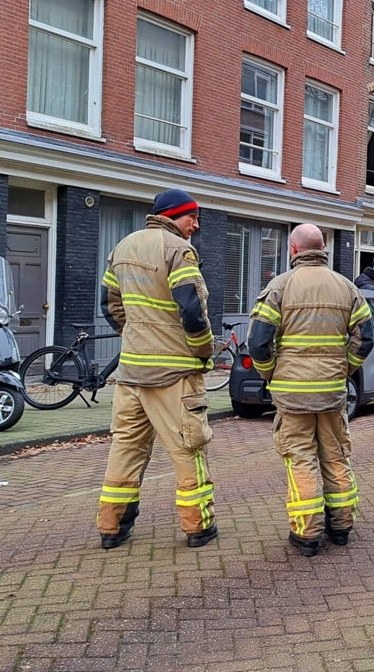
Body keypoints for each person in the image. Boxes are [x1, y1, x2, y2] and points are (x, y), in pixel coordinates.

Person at [97, 188, 218, 550]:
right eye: (191, 217)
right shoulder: (177, 249)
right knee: (187, 449)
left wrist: (135, 336)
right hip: (174, 375)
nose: (195, 225)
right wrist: (203, 351)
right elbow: (192, 309)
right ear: (171, 215)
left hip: (132, 372)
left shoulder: (122, 247)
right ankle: (198, 526)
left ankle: (111, 527)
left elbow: (110, 305)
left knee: (126, 449)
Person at [247, 224, 374, 557]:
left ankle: (307, 535)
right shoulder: (346, 287)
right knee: (336, 458)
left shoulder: (280, 287)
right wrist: (343, 368)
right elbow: (366, 337)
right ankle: (342, 527)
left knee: (301, 461)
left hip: (292, 397)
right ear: (323, 250)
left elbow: (259, 343)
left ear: (293, 250)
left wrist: (272, 375)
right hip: (333, 394)